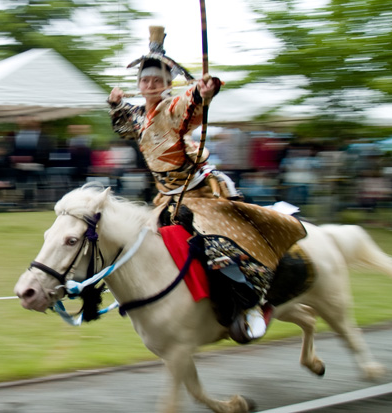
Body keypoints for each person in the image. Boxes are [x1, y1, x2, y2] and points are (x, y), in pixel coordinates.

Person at [107, 26, 307, 343]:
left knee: (218, 247)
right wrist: (116, 103)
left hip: (200, 193)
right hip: (168, 198)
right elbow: (124, 126)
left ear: (167, 85)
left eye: (157, 81)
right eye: (145, 81)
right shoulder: (139, 116)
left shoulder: (172, 108)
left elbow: (191, 106)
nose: (150, 85)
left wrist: (203, 90)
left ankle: (251, 305)